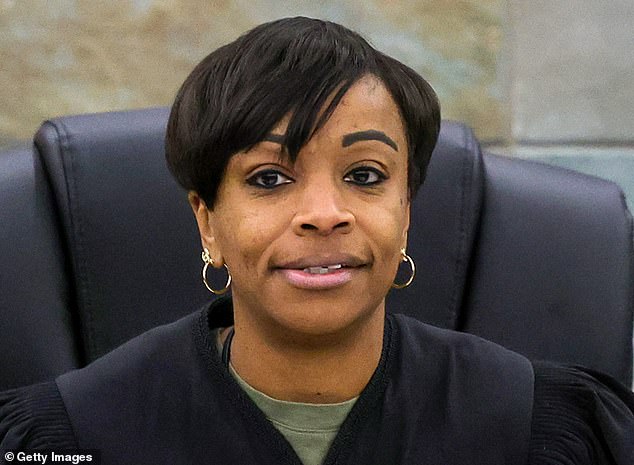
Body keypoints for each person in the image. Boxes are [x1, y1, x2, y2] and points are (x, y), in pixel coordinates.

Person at [1, 16, 633, 465]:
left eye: (365, 176)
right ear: (208, 222)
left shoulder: (541, 429)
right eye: (270, 178)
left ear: (406, 210)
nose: (325, 214)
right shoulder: (68, 435)